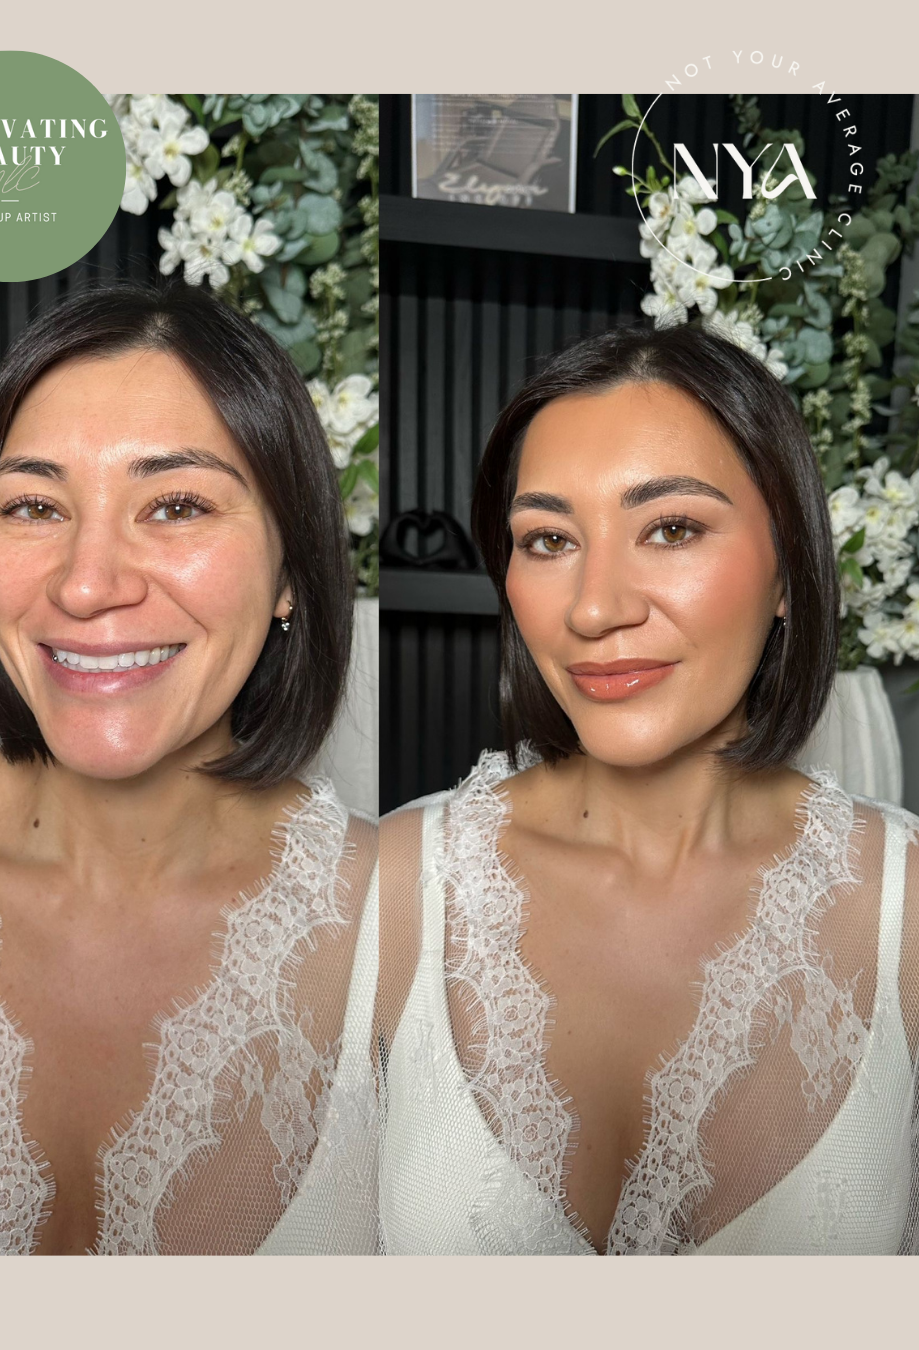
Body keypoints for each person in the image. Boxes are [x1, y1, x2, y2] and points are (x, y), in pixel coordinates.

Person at [0, 281, 379, 1256]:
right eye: (35, 506)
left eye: (173, 504)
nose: (88, 584)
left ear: (294, 571)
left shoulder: (428, 923)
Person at [377, 323, 919, 1255]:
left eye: (671, 529)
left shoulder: (906, 909)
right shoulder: (385, 888)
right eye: (547, 539)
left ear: (789, 567)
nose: (595, 607)